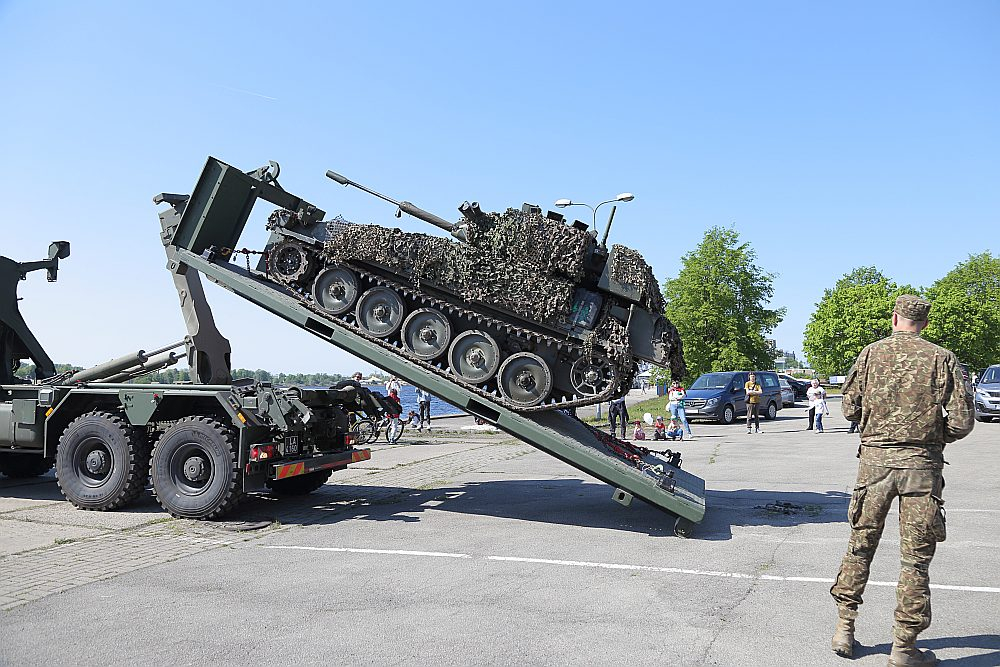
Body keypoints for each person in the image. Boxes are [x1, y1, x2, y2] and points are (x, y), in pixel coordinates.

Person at [829, 295, 974, 666]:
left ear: (895, 318)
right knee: (915, 561)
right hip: (921, 468)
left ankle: (845, 628)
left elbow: (848, 407)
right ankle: (904, 648)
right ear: (924, 323)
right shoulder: (941, 358)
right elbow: (962, 421)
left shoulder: (870, 354)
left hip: (875, 464)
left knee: (860, 545)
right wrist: (932, 435)